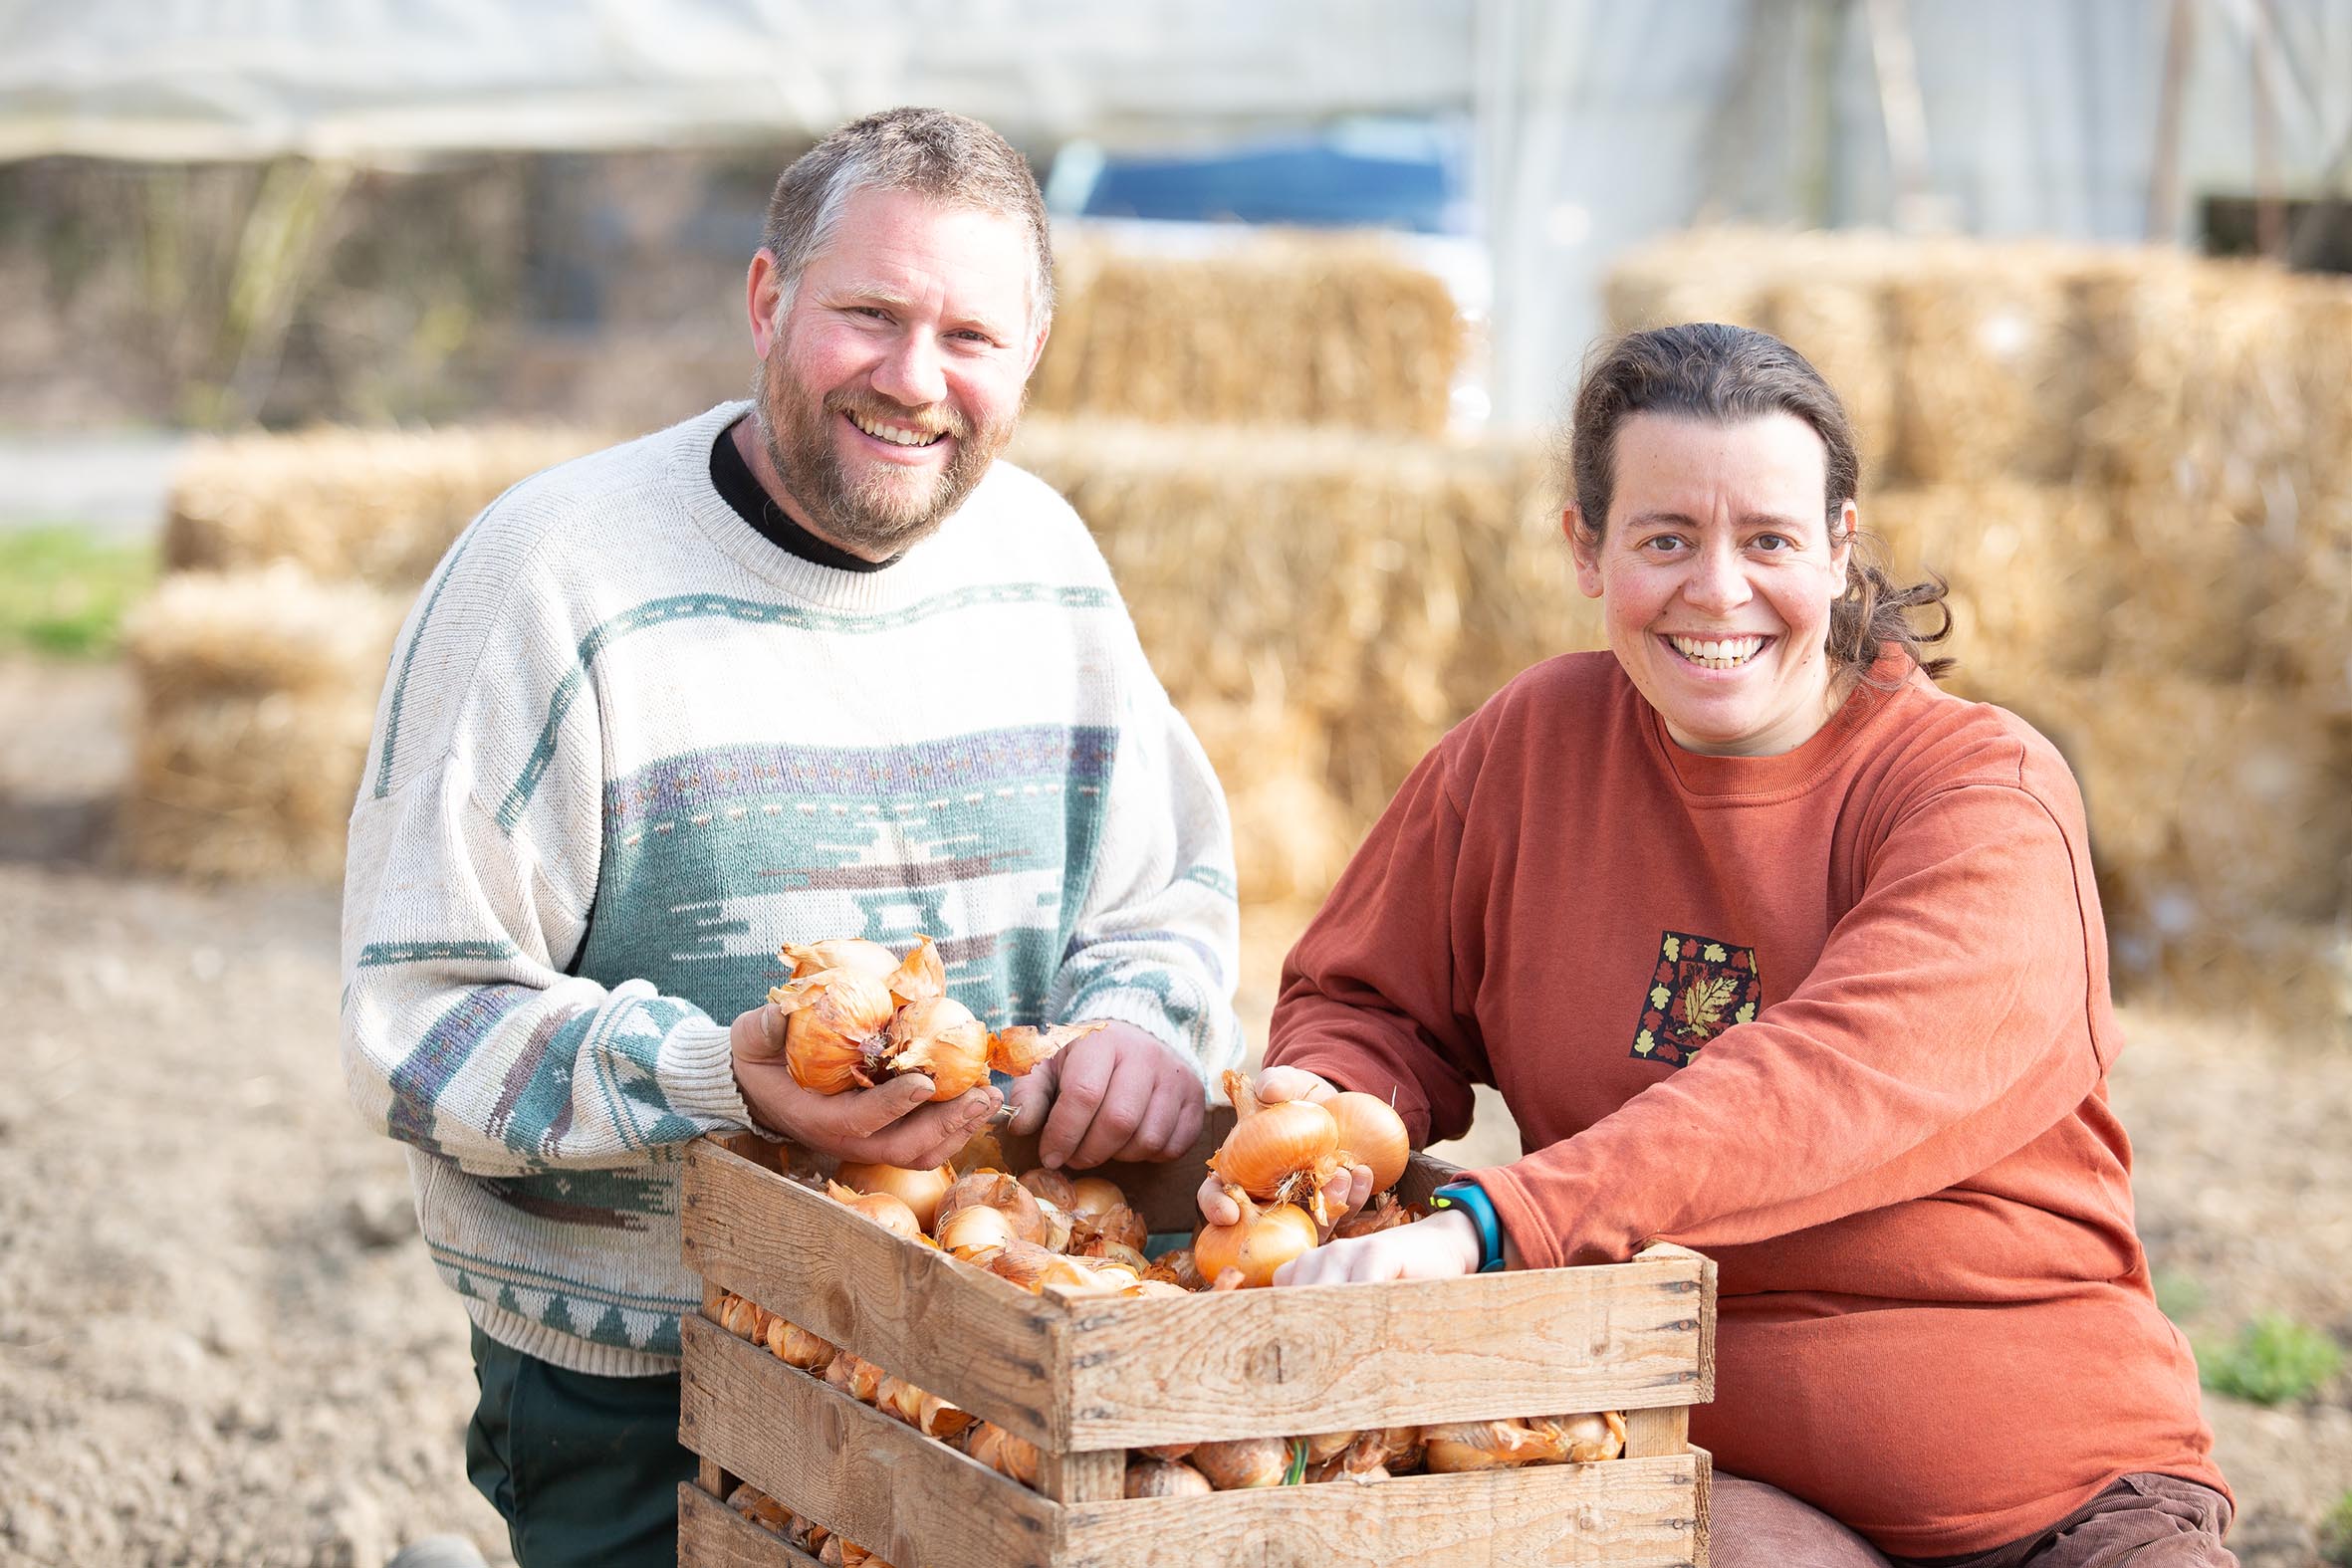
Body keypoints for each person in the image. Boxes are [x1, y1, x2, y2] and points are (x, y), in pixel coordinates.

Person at [341, 107, 1242, 1568]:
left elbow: (1168, 894)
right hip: (646, 1370)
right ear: (768, 300)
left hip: (979, 1357)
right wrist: (713, 1077)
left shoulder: (1048, 566)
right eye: (867, 314)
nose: (912, 378)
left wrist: (1142, 1019)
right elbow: (416, 1017)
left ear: (1030, 357)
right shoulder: (553, 575)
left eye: (969, 335)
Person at [1205, 323, 2234, 1565]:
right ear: (1586, 548)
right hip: (1701, 1470)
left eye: (1768, 541)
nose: (1718, 591)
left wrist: (1496, 1223)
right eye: (1664, 540)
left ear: (1841, 547)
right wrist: (1322, 1120)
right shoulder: (1532, 747)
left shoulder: (1978, 793)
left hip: (2053, 1501)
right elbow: (1369, 999)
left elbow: (1823, 1084)